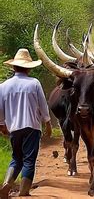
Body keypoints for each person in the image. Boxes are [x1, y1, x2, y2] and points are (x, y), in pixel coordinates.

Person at [0, 48, 51, 198]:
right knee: (29, 159)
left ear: (14, 67)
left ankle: (6, 183)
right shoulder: (34, 83)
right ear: (29, 68)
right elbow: (43, 105)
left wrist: (2, 125)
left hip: (13, 128)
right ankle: (23, 192)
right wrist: (47, 123)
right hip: (32, 127)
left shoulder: (4, 86)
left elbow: (0, 109)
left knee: (16, 158)